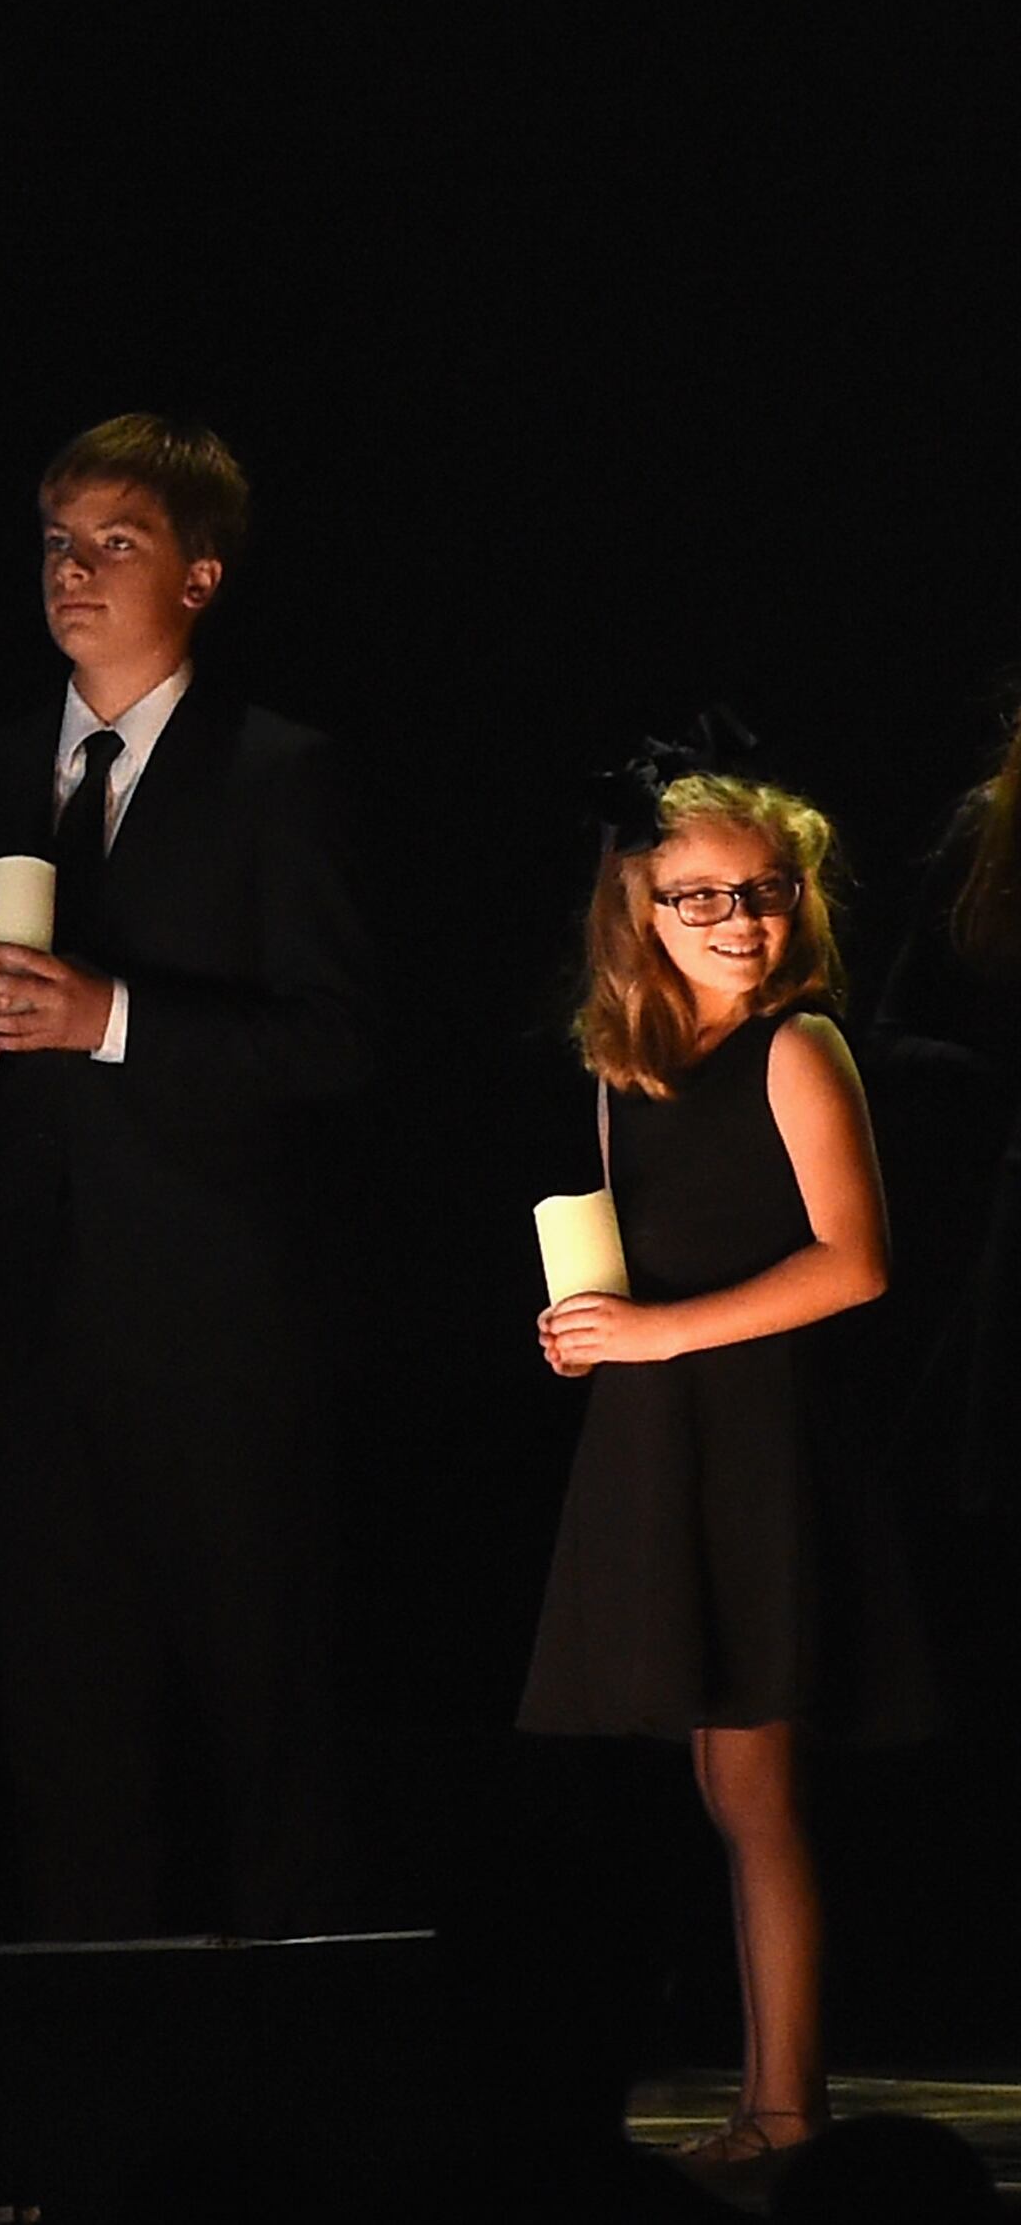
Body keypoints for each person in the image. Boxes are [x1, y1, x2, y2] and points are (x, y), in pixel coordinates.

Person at [0, 414, 374, 1938]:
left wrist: (108, 1017)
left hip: (221, 1343)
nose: (74, 570)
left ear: (198, 576)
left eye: (115, 543)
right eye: (56, 540)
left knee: (266, 1743)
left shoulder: (275, 775)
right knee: (70, 1755)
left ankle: (289, 2126)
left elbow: (337, 1045)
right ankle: (87, 2124)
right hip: (40, 1341)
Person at [521, 769, 929, 2178]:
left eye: (763, 892)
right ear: (639, 906)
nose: (740, 920)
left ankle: (789, 2111)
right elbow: (638, 1254)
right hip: (668, 1437)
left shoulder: (796, 1045)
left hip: (756, 1445)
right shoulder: (623, 1061)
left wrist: (654, 1331)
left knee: (757, 1793)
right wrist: (589, 1330)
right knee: (722, 1786)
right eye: (703, 896)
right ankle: (771, 2099)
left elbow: (855, 1260)